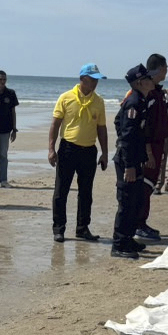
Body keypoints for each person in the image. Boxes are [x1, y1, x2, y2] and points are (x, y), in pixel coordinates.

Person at [49, 64, 109, 243]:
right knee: (61, 191)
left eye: (97, 80)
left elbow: (102, 128)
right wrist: (51, 149)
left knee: (86, 193)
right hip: (68, 149)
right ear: (83, 79)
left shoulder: (99, 101)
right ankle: (59, 229)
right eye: (93, 79)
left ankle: (82, 228)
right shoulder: (66, 97)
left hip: (89, 151)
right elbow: (55, 124)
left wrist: (105, 153)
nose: (96, 83)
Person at [112, 65, 156, 258]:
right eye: (148, 78)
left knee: (136, 201)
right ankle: (119, 245)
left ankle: (128, 239)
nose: (151, 81)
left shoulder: (141, 101)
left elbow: (118, 122)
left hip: (135, 158)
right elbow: (128, 134)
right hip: (127, 161)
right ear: (140, 82)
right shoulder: (133, 102)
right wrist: (129, 165)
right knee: (126, 203)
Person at [135, 53, 168, 242]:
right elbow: (145, 125)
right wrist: (148, 151)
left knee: (149, 183)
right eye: (165, 68)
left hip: (158, 145)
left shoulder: (158, 92)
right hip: (149, 147)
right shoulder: (148, 94)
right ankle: (138, 224)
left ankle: (142, 222)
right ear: (160, 69)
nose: (166, 71)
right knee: (145, 184)